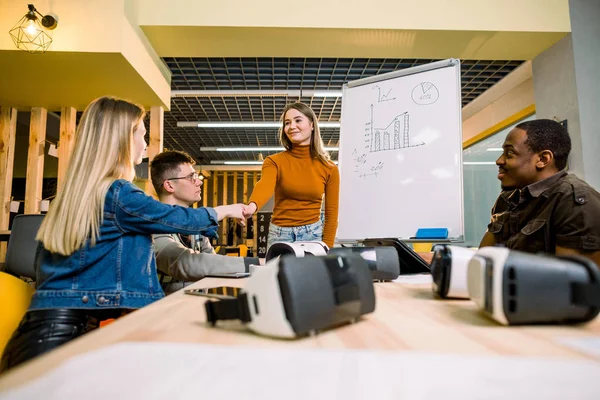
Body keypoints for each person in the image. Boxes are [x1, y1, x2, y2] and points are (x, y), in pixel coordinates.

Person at [0, 96, 246, 371]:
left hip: (42, 333)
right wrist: (226, 210)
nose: (145, 143)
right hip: (61, 338)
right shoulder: (118, 193)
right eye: (142, 134)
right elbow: (176, 219)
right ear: (121, 140)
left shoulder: (74, 197)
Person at [479, 119, 600, 268]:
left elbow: (571, 285)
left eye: (510, 153)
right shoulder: (508, 198)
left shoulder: (574, 201)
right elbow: (482, 261)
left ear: (543, 159)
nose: (499, 161)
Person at [150, 150, 259, 294]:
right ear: (169, 185)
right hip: (163, 313)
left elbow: (211, 262)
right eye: (191, 177)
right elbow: (187, 263)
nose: (199, 181)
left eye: (196, 175)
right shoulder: (153, 226)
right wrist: (256, 263)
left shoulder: (195, 230)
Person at [243, 102, 340, 249]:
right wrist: (252, 206)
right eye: (287, 123)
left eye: (298, 120)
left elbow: (331, 214)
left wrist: (328, 247)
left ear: (312, 125)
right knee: (277, 273)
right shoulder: (274, 161)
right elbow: (265, 185)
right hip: (280, 235)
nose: (291, 126)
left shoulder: (329, 168)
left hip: (312, 235)